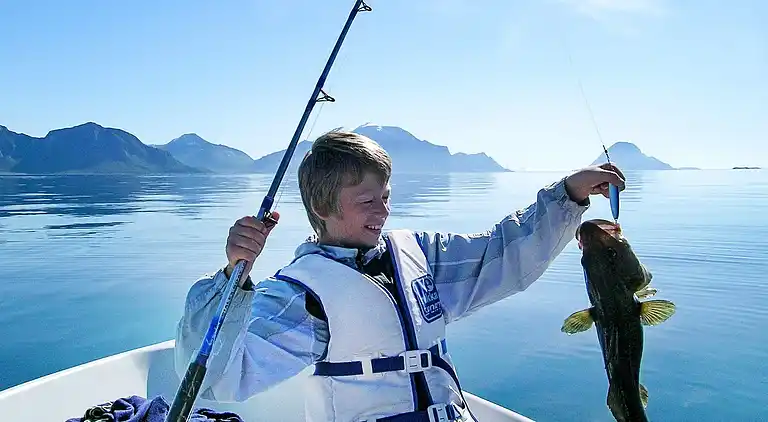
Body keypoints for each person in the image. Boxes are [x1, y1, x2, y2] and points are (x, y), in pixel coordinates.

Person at [174, 130, 625, 422]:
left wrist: (569, 195)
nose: (383, 211)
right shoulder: (301, 295)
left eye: (386, 196)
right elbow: (217, 378)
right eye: (367, 200)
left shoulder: (419, 254)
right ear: (323, 208)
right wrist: (232, 278)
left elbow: (501, 255)